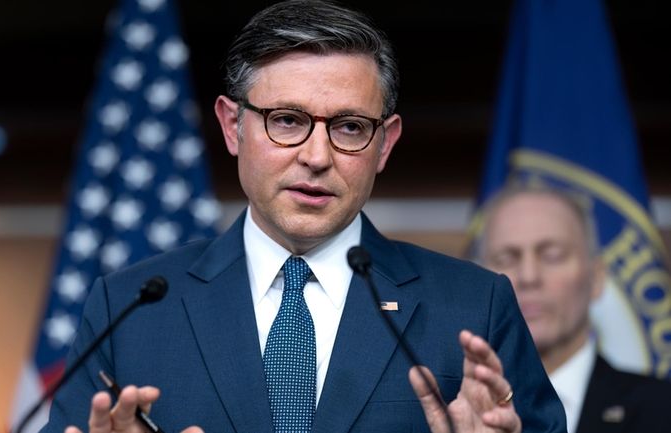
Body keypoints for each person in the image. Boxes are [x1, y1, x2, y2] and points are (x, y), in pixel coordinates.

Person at [43, 1, 565, 432]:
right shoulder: (129, 308)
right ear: (232, 126)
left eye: (350, 127)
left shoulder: (474, 307)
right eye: (286, 120)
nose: (317, 156)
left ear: (385, 144)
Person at [478, 186, 671, 433]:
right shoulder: (442, 412)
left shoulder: (662, 411)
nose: (528, 276)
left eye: (552, 255)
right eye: (506, 258)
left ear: (596, 278)